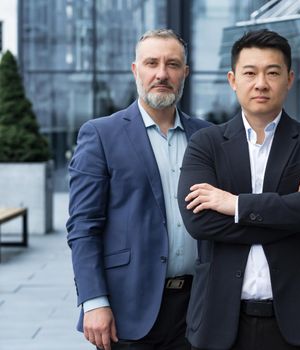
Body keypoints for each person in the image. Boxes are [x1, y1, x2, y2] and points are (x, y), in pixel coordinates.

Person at [176, 29, 300, 350]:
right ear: (232, 79)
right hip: (221, 320)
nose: (261, 83)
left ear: (290, 78)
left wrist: (236, 205)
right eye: (250, 72)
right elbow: (199, 222)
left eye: (272, 72)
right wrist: (294, 208)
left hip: (295, 321)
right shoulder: (207, 144)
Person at [66, 29, 210, 350]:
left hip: (200, 308)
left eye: (172, 64)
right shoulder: (101, 135)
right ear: (136, 70)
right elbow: (83, 227)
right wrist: (93, 301)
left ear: (184, 72)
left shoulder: (208, 136)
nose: (162, 74)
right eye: (151, 63)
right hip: (129, 308)